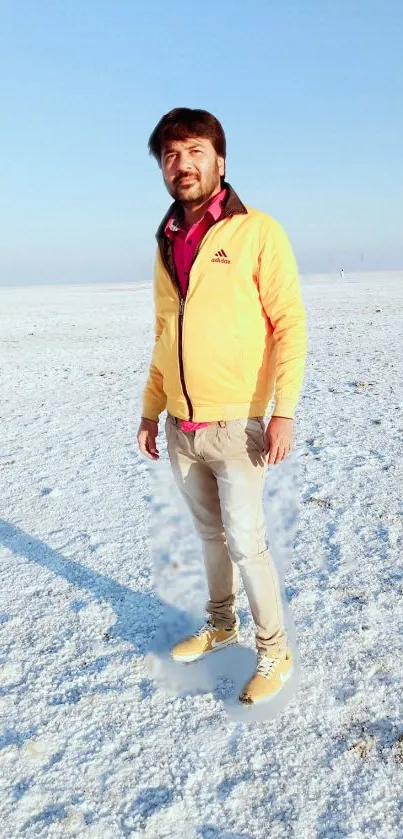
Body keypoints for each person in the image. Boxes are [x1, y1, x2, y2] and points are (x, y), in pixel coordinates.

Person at [137, 108, 307, 705]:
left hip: (237, 425)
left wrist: (284, 410)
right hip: (182, 426)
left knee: (246, 542)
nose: (181, 165)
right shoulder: (166, 241)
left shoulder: (257, 231)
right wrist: (149, 408)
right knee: (210, 538)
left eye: (194, 151)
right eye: (170, 155)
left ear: (220, 161)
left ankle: (275, 651)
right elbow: (165, 332)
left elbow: (289, 324)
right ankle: (221, 624)